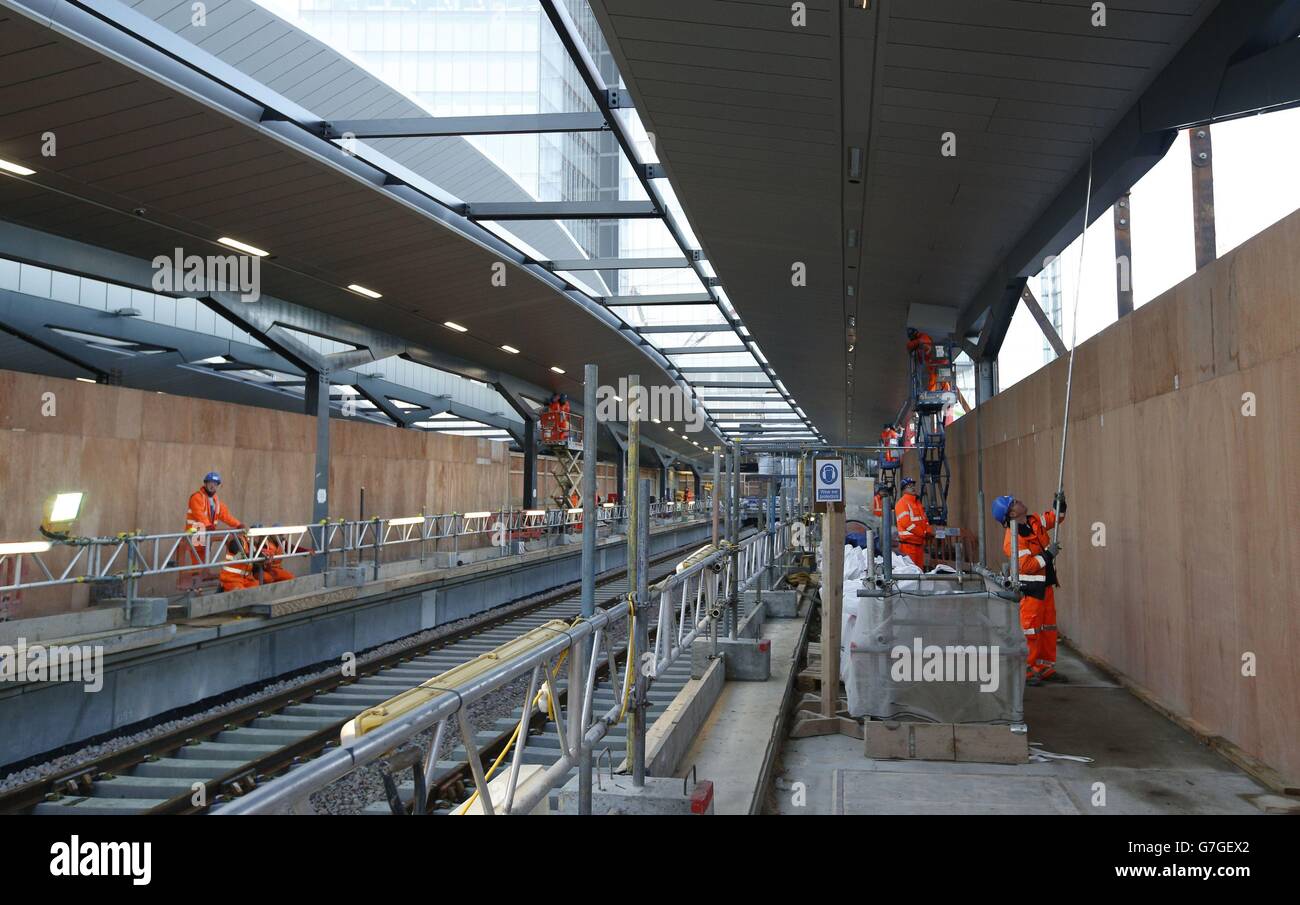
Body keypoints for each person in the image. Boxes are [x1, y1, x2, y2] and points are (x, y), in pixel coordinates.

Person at [993, 492, 1068, 685]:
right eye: (1014, 503)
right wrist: (1048, 555)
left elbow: (1055, 518)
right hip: (1031, 588)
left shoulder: (1033, 520)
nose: (1019, 500)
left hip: (1045, 584)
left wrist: (1059, 503)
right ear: (1011, 514)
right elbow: (1026, 565)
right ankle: (1025, 672)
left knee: (1047, 628)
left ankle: (1043, 668)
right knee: (1030, 631)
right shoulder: (1013, 538)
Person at [180, 471, 243, 587]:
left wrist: (238, 524)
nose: (212, 485)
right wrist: (207, 525)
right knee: (198, 561)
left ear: (218, 485)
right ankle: (196, 585)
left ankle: (201, 581)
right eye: (210, 482)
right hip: (196, 533)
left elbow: (226, 516)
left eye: (215, 483)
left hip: (206, 534)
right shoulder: (196, 497)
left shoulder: (216, 502)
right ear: (205, 483)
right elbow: (199, 513)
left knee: (203, 560)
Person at [894, 477, 933, 568]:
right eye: (909, 486)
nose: (912, 488)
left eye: (913, 485)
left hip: (919, 544)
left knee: (918, 571)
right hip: (908, 546)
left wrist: (928, 531)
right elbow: (906, 523)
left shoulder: (917, 503)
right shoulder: (902, 503)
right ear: (904, 490)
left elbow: (924, 520)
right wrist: (923, 533)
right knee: (911, 572)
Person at [907, 327, 939, 392]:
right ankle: (928, 392)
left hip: (932, 362)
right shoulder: (920, 340)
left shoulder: (923, 337)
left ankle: (930, 393)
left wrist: (911, 345)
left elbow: (917, 343)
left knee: (933, 377)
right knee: (931, 377)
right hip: (929, 362)